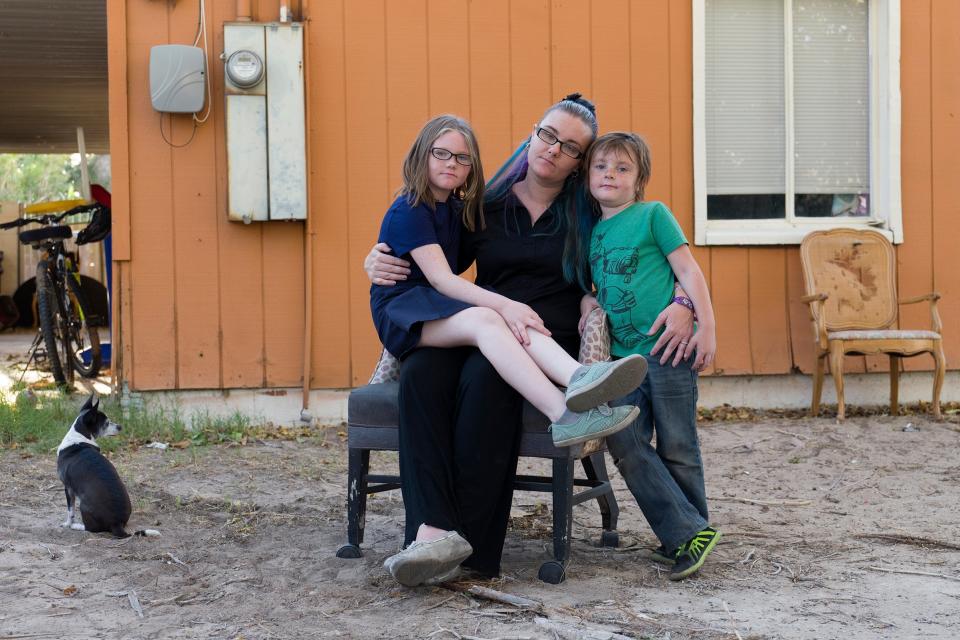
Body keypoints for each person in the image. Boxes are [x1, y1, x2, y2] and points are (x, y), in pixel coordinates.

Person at [365, 95, 695, 586]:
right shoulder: (486, 204)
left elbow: (648, 250)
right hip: (481, 322)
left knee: (484, 385)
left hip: (547, 333)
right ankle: (429, 536)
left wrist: (684, 303)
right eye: (548, 135)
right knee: (421, 375)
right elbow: (433, 255)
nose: (553, 150)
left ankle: (475, 553)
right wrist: (378, 259)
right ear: (532, 134)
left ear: (580, 161)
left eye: (570, 147)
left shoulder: (588, 209)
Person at [574, 131, 721, 580]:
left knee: (678, 445)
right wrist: (586, 304)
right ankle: (687, 533)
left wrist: (707, 325)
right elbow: (591, 286)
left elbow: (687, 269)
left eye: (622, 168)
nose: (610, 175)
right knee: (626, 440)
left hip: (667, 350)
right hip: (622, 360)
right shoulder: (592, 232)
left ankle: (685, 539)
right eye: (601, 167)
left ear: (639, 180)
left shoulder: (653, 214)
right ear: (588, 176)